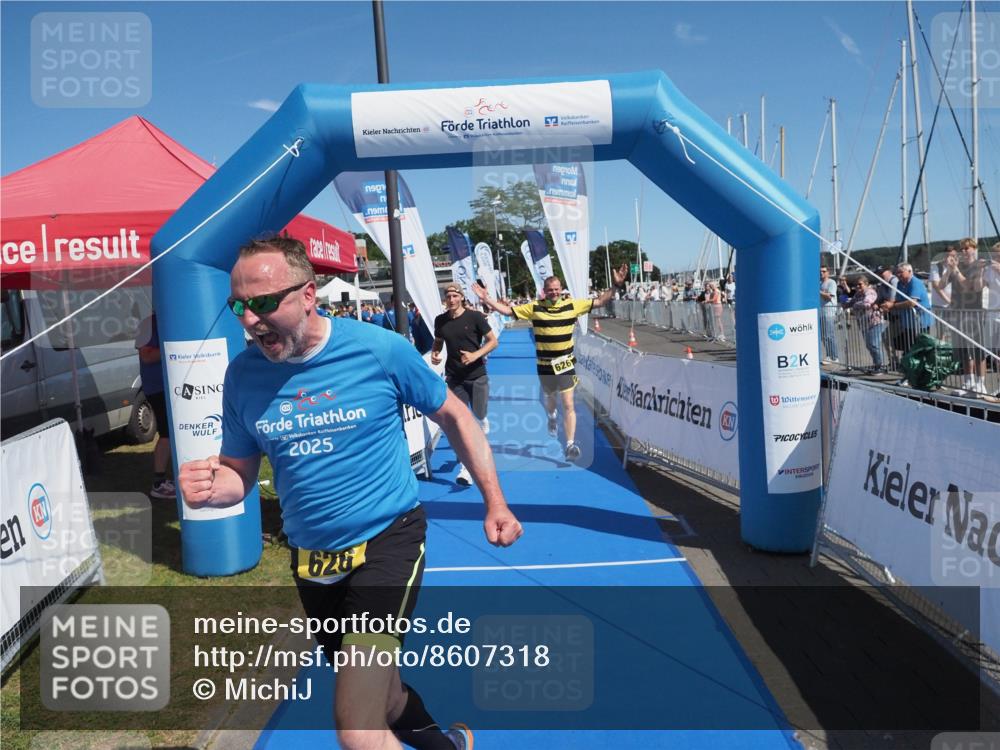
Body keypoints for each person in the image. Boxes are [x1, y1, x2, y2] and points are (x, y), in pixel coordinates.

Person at [178, 236, 521, 750]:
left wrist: (494, 501)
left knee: (357, 728)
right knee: (384, 697)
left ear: (309, 294)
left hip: (388, 542)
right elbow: (239, 477)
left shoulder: (377, 349)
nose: (250, 320)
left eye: (265, 303)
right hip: (312, 559)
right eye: (239, 306)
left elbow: (454, 413)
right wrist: (209, 488)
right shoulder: (243, 376)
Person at [472, 265, 627, 462]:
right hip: (545, 364)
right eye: (550, 290)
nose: (554, 293)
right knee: (551, 400)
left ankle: (570, 444)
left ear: (561, 290)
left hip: (565, 363)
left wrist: (616, 285)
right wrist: (486, 299)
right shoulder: (535, 307)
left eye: (557, 289)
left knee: (569, 403)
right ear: (544, 291)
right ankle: (552, 416)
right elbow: (508, 311)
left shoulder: (573, 305)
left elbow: (600, 301)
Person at [431, 284, 498, 485]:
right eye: (448, 296)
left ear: (461, 297)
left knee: (479, 415)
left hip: (477, 375)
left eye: (454, 295)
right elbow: (438, 341)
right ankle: (467, 469)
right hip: (454, 377)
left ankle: (483, 418)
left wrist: (475, 355)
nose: (451, 299)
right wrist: (435, 352)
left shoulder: (475, 317)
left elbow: (493, 341)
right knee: (462, 423)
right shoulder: (440, 320)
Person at [135, 312, 174, 500]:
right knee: (167, 434)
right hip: (158, 387)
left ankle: (171, 477)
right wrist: (174, 347)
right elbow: (147, 356)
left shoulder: (171, 319)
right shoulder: (147, 324)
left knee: (175, 433)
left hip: (173, 387)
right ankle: (158, 483)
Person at [940, 237, 986, 395]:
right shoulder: (957, 266)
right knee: (964, 349)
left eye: (967, 248)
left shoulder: (978, 265)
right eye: (962, 249)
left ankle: (981, 384)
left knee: (978, 350)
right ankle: (969, 382)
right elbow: (941, 285)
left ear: (974, 248)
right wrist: (948, 270)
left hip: (975, 311)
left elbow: (969, 287)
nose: (964, 251)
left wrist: (956, 270)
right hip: (959, 312)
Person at [883, 263, 933, 378]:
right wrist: (889, 304)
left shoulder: (916, 283)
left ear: (909, 272)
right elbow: (899, 300)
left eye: (901, 272)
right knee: (907, 348)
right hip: (907, 323)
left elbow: (912, 302)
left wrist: (893, 306)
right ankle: (907, 373)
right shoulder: (901, 284)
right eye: (898, 272)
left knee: (919, 349)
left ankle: (922, 375)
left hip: (920, 322)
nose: (898, 275)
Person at [848, 276, 886, 372]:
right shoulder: (857, 294)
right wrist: (846, 303)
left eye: (860, 284)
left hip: (875, 322)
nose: (857, 286)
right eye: (856, 284)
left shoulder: (870, 292)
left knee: (873, 344)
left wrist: (855, 305)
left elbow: (867, 303)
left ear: (866, 284)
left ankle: (880, 366)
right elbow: (851, 302)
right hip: (864, 324)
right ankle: (876, 364)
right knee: (869, 345)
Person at [819, 266, 840, 363]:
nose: (821, 273)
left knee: (829, 335)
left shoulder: (831, 282)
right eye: (820, 271)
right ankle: (829, 355)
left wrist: (819, 292)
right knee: (824, 335)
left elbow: (829, 296)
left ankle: (834, 357)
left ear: (828, 272)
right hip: (821, 312)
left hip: (829, 312)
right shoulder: (819, 283)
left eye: (824, 271)